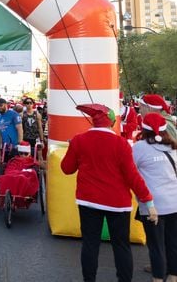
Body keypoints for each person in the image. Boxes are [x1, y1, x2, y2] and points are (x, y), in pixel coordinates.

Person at [61, 103, 157, 282]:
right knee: (121, 246)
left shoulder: (79, 140)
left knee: (90, 244)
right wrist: (148, 200)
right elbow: (132, 177)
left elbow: (66, 169)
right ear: (112, 123)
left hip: (88, 201)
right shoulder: (121, 144)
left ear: (93, 122)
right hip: (117, 203)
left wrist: (72, 148)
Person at [132, 112, 177, 282]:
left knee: (156, 245)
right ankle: (173, 275)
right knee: (173, 242)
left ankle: (158, 278)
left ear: (143, 128)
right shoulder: (173, 146)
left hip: (153, 205)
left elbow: (131, 172)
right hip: (175, 201)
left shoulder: (139, 148)